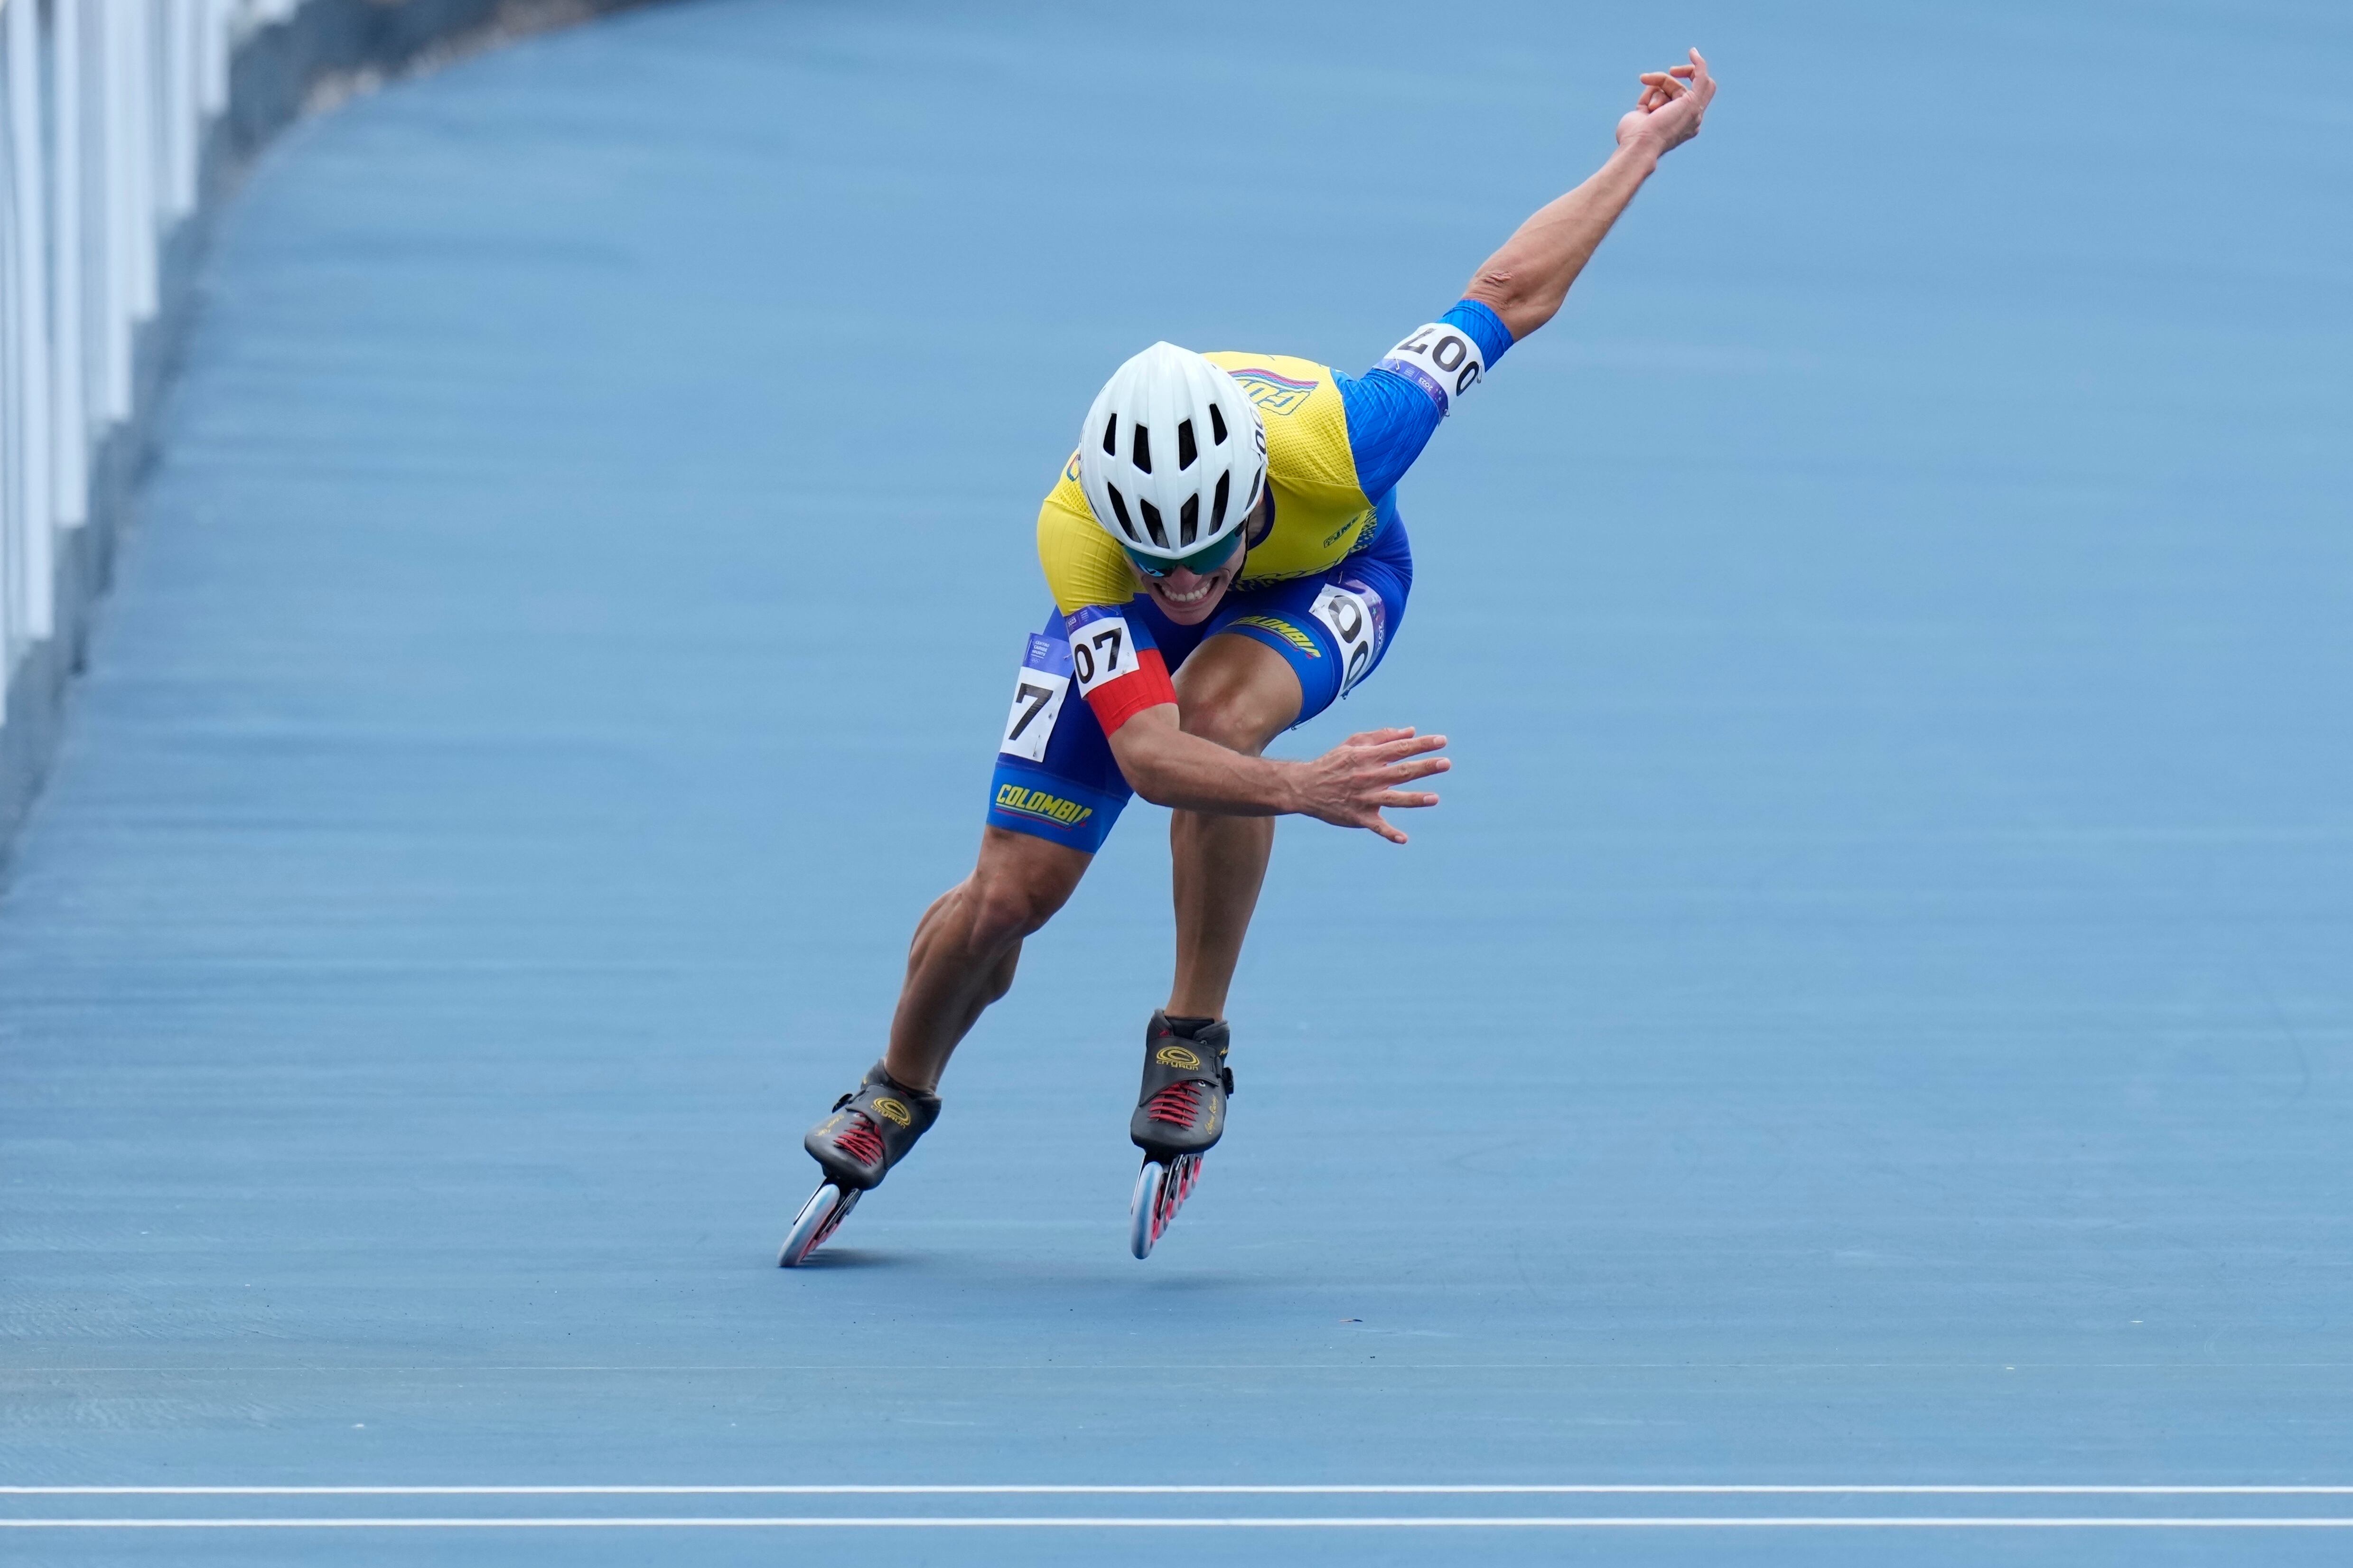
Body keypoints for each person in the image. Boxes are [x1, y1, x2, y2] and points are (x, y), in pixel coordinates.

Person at [781, 51, 1719, 1265]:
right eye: (1153, 560)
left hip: (1333, 576)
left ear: (1251, 494)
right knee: (1009, 898)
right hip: (1157, 661)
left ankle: (1190, 1038)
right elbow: (1142, 753)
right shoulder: (1074, 534)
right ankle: (897, 1088)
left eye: (1207, 550)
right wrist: (1302, 789)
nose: (1184, 582)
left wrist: (1638, 148)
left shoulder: (1346, 440)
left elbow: (1508, 292)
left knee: (1224, 714)